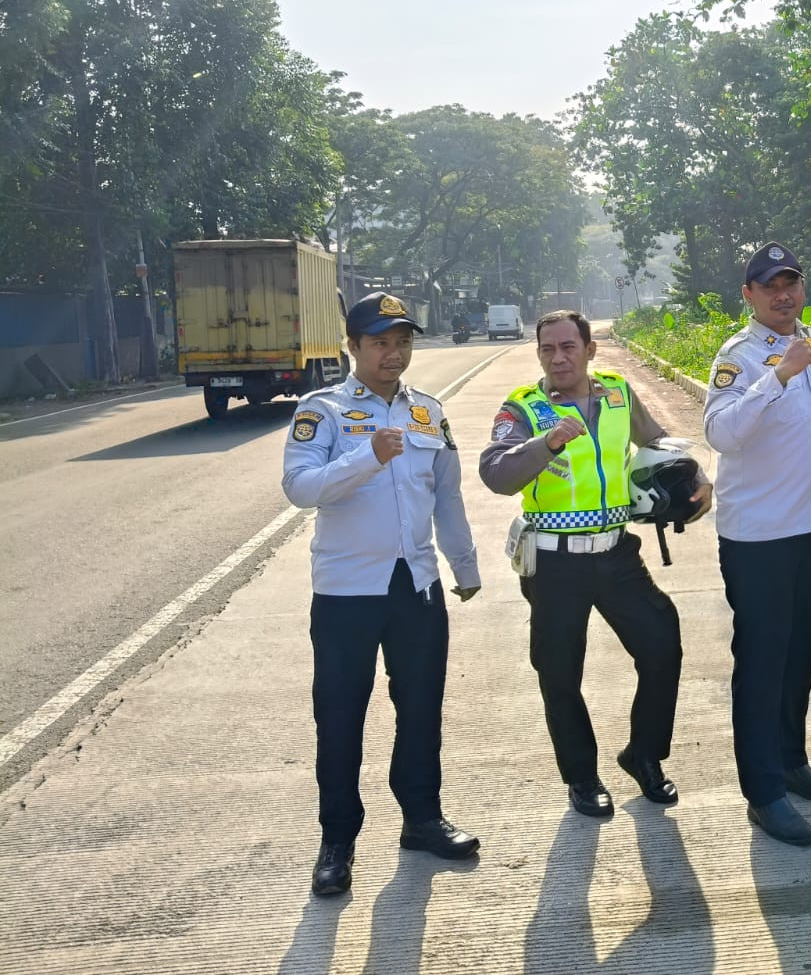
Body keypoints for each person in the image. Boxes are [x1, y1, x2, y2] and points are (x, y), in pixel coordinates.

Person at [282, 291, 481, 898]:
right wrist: (365, 458)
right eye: (380, 343)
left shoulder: (427, 411)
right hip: (347, 590)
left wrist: (463, 563)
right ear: (353, 346)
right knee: (340, 715)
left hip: (415, 583)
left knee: (420, 708)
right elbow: (300, 488)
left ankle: (422, 818)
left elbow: (446, 493)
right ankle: (337, 839)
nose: (393, 354)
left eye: (402, 342)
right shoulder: (323, 410)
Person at [478, 310, 710, 819]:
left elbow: (657, 442)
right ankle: (581, 777)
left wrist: (694, 481)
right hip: (554, 562)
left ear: (589, 349)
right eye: (548, 349)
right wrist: (547, 442)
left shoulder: (618, 393)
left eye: (568, 347)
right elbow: (495, 474)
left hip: (616, 552)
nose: (558, 358)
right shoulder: (524, 407)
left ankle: (643, 754)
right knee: (559, 672)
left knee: (662, 643)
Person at [705, 242, 811, 847]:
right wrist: (777, 376)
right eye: (770, 286)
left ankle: (791, 762)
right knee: (762, 665)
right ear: (749, 295)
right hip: (759, 537)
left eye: (791, 283)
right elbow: (720, 433)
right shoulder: (737, 357)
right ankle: (763, 793)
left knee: (802, 654)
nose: (783, 295)